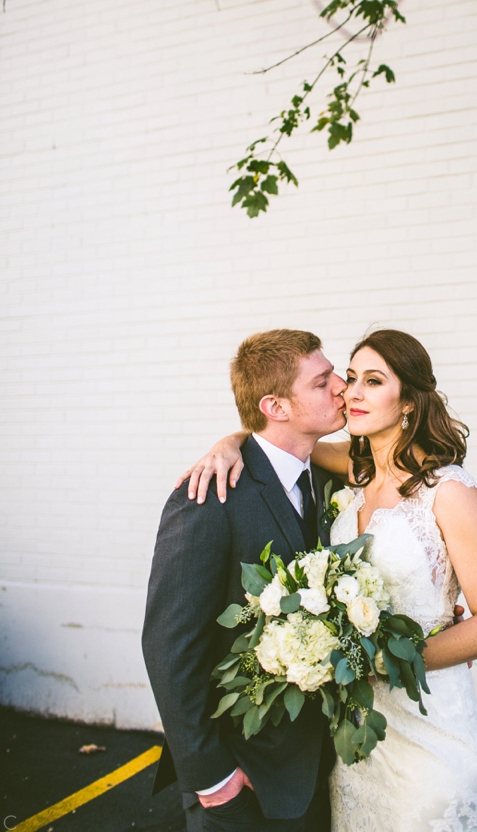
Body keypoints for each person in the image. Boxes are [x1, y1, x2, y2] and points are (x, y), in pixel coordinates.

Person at [181, 329, 477, 832]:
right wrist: (228, 443)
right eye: (351, 376)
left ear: (408, 400)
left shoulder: (449, 492)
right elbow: (277, 439)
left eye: (373, 381)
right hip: (358, 743)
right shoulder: (353, 471)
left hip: (430, 732)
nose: (350, 391)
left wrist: (377, 662)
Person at [142, 329, 347, 831]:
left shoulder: (330, 480)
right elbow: (170, 646)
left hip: (324, 768)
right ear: (275, 406)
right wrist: (212, 779)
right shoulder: (208, 496)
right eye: (322, 381)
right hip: (243, 778)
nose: (342, 386)